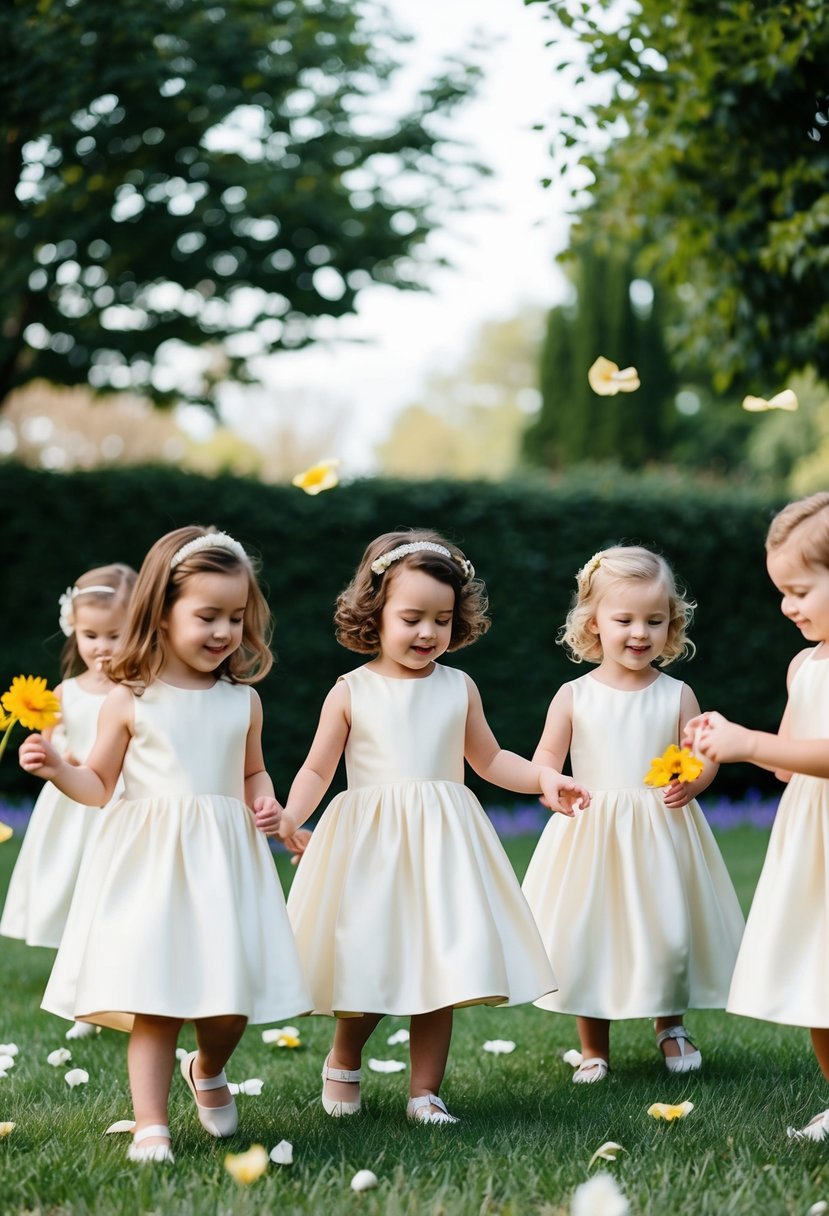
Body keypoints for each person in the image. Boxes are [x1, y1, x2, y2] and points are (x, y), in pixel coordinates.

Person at [259, 529, 589, 1125]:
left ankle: (425, 1092)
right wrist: (289, 815)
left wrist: (544, 778)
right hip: (372, 849)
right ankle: (343, 1060)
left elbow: (488, 760)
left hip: (442, 847)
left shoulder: (458, 687)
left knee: (441, 966)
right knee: (367, 959)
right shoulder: (351, 691)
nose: (427, 633)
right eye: (411, 617)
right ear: (375, 612)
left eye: (441, 619)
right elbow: (316, 767)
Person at [18, 526, 311, 1164]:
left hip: (225, 865)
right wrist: (53, 768)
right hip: (152, 868)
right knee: (157, 1001)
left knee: (228, 1006)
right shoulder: (131, 700)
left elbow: (252, 770)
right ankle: (151, 1123)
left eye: (236, 617)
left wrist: (269, 802)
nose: (223, 631)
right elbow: (97, 785)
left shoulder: (243, 702)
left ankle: (206, 1068)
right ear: (161, 612)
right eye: (207, 616)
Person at [522, 545, 744, 1083]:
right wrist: (553, 787)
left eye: (654, 620)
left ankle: (670, 1025)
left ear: (673, 624)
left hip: (658, 833)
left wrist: (692, 782)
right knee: (590, 935)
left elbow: (699, 758)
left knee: (665, 931)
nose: (640, 633)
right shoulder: (574, 695)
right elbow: (545, 760)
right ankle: (593, 1047)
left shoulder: (676, 694)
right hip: (593, 829)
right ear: (593, 623)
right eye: (624, 620)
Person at [685, 493, 829, 1141]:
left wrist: (750, 743)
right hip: (811, 837)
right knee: (815, 967)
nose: (786, 606)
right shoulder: (804, 664)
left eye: (799, 589)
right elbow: (787, 760)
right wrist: (719, 743)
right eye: (780, 592)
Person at [1, 564, 136, 1040]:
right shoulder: (66, 692)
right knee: (76, 892)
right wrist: (47, 755)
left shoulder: (139, 693)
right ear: (73, 631)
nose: (102, 647)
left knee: (112, 897)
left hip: (118, 804)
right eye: (91, 634)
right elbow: (49, 741)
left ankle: (111, 991)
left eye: (115, 635)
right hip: (72, 808)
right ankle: (82, 993)